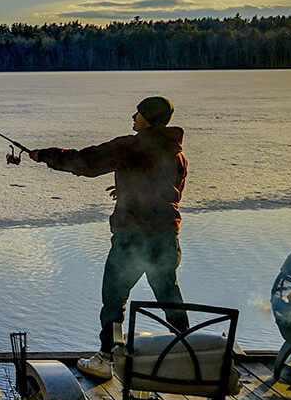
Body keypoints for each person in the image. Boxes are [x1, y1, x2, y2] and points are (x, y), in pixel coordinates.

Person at [28, 96, 190, 379]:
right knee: (169, 296)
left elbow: (85, 162)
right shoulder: (176, 153)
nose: (133, 117)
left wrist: (44, 155)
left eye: (138, 113)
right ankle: (187, 352)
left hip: (132, 239)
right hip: (165, 237)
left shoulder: (130, 146)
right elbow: (168, 191)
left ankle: (107, 357)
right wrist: (128, 189)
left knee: (114, 299)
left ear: (149, 119)